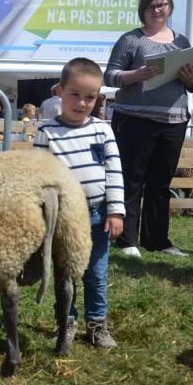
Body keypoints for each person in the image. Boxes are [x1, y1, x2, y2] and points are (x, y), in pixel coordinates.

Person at [34, 57, 125, 349]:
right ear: (60, 92)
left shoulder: (102, 130)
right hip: (62, 217)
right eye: (75, 95)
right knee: (66, 272)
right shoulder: (47, 131)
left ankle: (97, 324)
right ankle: (66, 321)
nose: (83, 103)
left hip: (97, 215)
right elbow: (39, 174)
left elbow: (114, 170)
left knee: (96, 273)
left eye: (90, 97)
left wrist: (116, 211)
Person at [104, 0, 193, 258]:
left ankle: (157, 240)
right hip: (134, 119)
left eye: (162, 4)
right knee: (132, 180)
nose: (157, 10)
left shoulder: (182, 42)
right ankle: (127, 240)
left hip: (173, 121)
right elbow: (110, 76)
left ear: (170, 8)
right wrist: (136, 75)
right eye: (151, 6)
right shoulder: (130, 40)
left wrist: (191, 79)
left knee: (161, 182)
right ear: (142, 10)